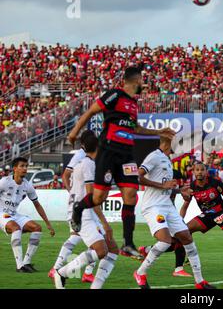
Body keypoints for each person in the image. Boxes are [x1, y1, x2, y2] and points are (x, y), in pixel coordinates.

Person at [67, 66, 175, 259]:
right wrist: (75, 132)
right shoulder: (115, 95)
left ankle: (128, 243)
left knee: (131, 194)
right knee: (99, 198)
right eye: (142, 79)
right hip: (109, 151)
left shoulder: (133, 104)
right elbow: (91, 112)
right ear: (135, 80)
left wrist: (159, 132)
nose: (144, 83)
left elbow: (135, 128)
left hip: (126, 154)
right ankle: (79, 208)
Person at [133, 137, 214, 289]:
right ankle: (140, 273)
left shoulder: (167, 160)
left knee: (187, 239)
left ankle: (200, 282)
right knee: (165, 241)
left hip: (167, 206)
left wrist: (179, 190)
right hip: (153, 206)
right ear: (167, 142)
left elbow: (166, 186)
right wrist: (163, 186)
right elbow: (137, 177)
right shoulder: (154, 156)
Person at [53, 134, 119, 289]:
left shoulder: (84, 163)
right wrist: (105, 222)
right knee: (102, 250)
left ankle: (95, 286)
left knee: (113, 249)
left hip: (84, 212)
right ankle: (62, 272)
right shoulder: (88, 165)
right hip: (84, 214)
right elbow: (91, 198)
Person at [48, 130, 98, 282]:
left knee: (77, 237)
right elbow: (65, 175)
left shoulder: (85, 156)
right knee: (98, 236)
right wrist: (72, 193)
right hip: (82, 203)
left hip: (79, 202)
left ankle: (61, 268)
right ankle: (63, 270)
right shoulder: (81, 155)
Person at [0, 157, 55, 273]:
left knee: (37, 228)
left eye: (26, 166)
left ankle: (26, 262)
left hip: (14, 214)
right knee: (16, 228)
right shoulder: (4, 182)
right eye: (22, 166)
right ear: (15, 168)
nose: (25, 168)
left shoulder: (27, 185)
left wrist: (48, 224)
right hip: (1, 214)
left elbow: (37, 204)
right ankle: (19, 266)